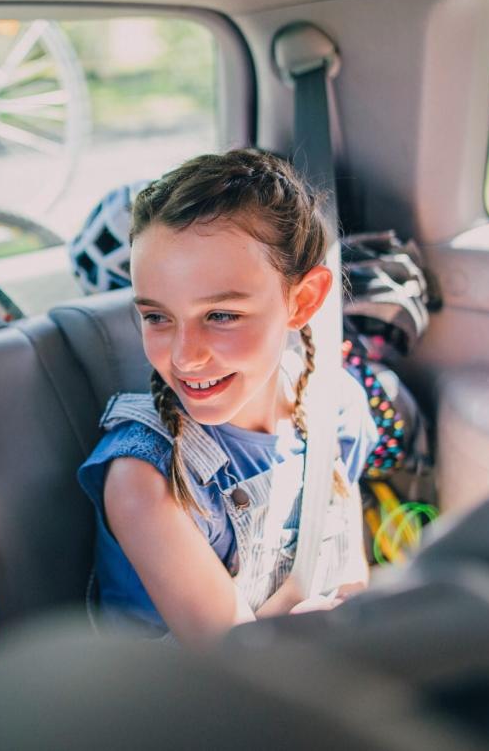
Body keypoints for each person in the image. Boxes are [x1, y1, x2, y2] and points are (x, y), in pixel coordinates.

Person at [77, 149, 379, 648]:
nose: (184, 357)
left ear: (301, 301)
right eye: (157, 317)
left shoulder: (337, 407)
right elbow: (240, 669)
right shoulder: (145, 479)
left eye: (220, 316)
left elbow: (350, 576)